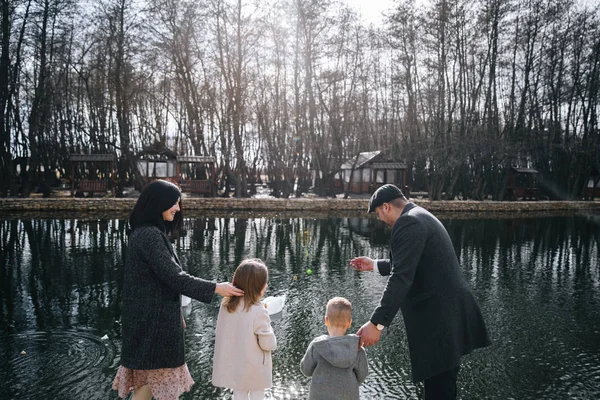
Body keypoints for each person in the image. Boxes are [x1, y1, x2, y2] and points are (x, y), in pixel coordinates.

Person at [350, 184, 491, 400]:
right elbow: (411, 262)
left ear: (386, 207)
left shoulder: (408, 222)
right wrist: (375, 265)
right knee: (443, 387)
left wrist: (376, 324)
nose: (380, 219)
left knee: (439, 391)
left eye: (378, 213)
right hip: (449, 315)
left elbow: (401, 277)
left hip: (439, 322)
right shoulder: (420, 214)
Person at [112, 179, 244, 400]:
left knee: (148, 383)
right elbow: (175, 277)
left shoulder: (147, 233)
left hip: (150, 321)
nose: (178, 208)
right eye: (174, 203)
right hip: (151, 326)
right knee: (153, 384)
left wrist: (176, 313)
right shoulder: (150, 236)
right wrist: (216, 288)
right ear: (158, 203)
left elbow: (159, 281)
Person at [212, 258, 277, 400]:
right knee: (257, 395)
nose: (266, 286)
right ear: (258, 286)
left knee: (239, 394)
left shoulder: (226, 306)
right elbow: (268, 344)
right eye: (264, 283)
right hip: (255, 368)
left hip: (235, 366)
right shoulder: (258, 310)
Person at [300, 297, 368, 400]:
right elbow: (362, 375)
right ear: (349, 322)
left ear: (326, 320)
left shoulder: (317, 346)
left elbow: (306, 370)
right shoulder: (357, 348)